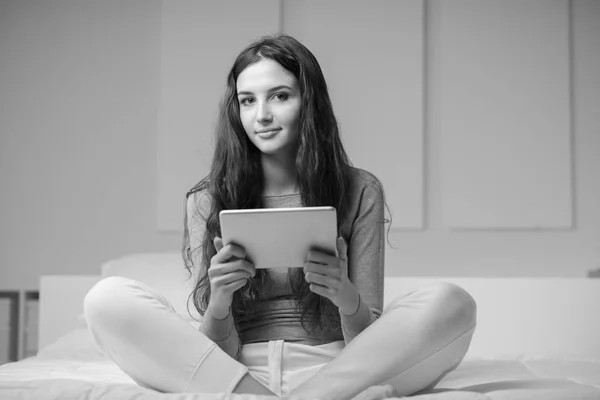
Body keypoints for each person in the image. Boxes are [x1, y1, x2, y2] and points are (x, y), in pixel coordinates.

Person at [84, 34, 477, 400]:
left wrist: (345, 294)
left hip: (340, 368)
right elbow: (213, 351)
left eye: (280, 96)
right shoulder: (207, 199)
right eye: (248, 100)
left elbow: (370, 342)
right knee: (106, 298)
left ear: (310, 102)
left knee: (452, 302)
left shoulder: (359, 190)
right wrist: (219, 302)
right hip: (232, 372)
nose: (262, 115)